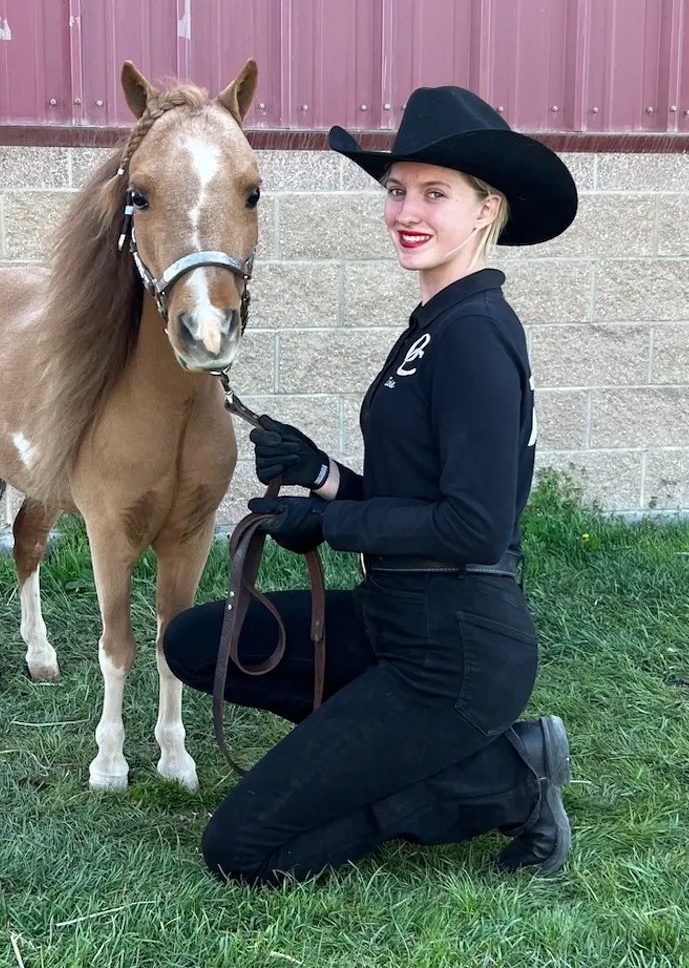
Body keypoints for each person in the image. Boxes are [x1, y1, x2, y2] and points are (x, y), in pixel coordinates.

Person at [162, 84, 580, 888]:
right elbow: (417, 489)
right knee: (196, 643)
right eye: (396, 191)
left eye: (435, 193)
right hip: (394, 616)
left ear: (486, 209)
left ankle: (508, 779)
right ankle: (386, 753)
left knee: (242, 852)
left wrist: (330, 527)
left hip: (455, 652)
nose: (406, 211)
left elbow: (473, 527)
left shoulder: (476, 337)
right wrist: (322, 476)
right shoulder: (434, 325)